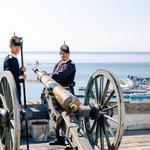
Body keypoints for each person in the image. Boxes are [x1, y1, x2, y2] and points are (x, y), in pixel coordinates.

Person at [49, 42, 76, 145]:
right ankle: (59, 139)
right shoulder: (58, 63)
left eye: (65, 53)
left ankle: (70, 140)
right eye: (61, 53)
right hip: (56, 92)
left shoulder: (71, 65)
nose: (63, 55)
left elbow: (61, 75)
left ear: (68, 54)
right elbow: (55, 74)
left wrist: (51, 75)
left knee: (69, 115)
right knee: (56, 114)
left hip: (67, 93)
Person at [3, 34, 26, 105]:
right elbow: (11, 79)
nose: (17, 48)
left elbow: (14, 72)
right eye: (15, 46)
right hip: (12, 94)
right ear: (10, 47)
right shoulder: (9, 59)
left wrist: (21, 70)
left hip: (15, 91)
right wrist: (22, 77)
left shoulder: (13, 58)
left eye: (18, 46)